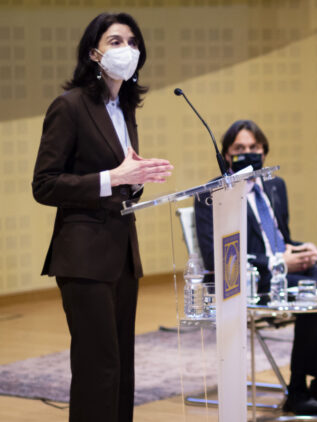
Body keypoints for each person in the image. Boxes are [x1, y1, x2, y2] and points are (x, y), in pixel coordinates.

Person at [31, 13, 173, 422]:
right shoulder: (70, 106)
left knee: (121, 367)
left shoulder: (123, 108)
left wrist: (137, 179)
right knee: (99, 366)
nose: (126, 49)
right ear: (94, 52)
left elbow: (121, 176)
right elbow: (45, 184)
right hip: (84, 255)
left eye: (132, 41)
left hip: (122, 252)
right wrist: (114, 178)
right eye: (115, 41)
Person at [194, 120, 317, 416]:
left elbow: (282, 237)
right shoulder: (214, 195)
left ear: (264, 152)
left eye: (254, 148)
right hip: (253, 280)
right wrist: (278, 261)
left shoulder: (274, 184)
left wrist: (301, 249)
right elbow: (216, 259)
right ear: (226, 155)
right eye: (239, 148)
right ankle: (297, 390)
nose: (248, 153)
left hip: (288, 270)